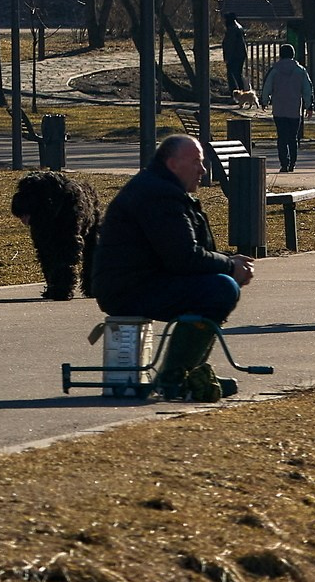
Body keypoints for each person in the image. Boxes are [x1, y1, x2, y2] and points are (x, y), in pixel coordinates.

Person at [91, 135, 255, 402]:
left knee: (219, 283)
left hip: (144, 281)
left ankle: (186, 372)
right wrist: (229, 266)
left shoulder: (162, 189)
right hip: (129, 289)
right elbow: (183, 258)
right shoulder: (158, 195)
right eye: (196, 162)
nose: (202, 170)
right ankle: (175, 378)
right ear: (172, 164)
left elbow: (182, 251)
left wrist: (228, 261)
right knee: (220, 289)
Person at [263, 44, 311, 172]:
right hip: (294, 108)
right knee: (293, 137)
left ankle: (284, 163)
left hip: (279, 108)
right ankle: (293, 163)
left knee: (281, 137)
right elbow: (307, 88)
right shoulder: (300, 70)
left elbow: (267, 86)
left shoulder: (274, 70)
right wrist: (309, 105)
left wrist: (264, 101)